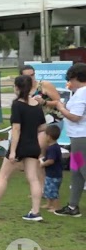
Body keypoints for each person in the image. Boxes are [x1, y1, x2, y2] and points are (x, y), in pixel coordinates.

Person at [0, 74, 47, 221]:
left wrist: (13, 151)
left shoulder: (17, 104)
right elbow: (43, 126)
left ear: (17, 88)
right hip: (33, 146)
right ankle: (35, 212)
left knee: (3, 176)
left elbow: (16, 129)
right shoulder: (37, 105)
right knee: (33, 179)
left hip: (20, 146)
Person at [53, 62, 86, 218]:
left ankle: (73, 206)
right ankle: (73, 206)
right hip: (76, 137)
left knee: (83, 170)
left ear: (76, 78)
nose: (69, 83)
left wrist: (61, 109)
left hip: (81, 137)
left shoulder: (82, 92)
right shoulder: (79, 92)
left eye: (71, 79)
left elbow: (75, 116)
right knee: (76, 171)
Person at [40, 124, 63, 212]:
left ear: (49, 136)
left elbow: (51, 161)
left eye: (45, 135)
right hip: (51, 174)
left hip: (54, 175)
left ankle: (56, 207)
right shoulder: (51, 147)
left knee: (53, 191)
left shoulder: (53, 148)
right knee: (48, 190)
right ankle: (49, 204)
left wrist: (43, 164)